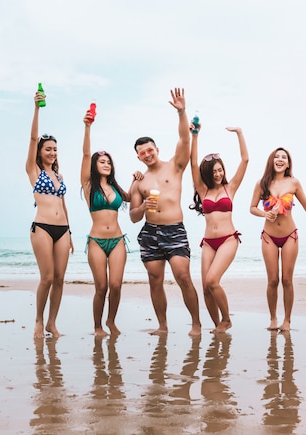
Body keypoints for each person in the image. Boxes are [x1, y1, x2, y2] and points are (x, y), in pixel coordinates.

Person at [129, 88, 202, 337]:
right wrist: (142, 206)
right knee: (154, 280)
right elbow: (133, 216)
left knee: (183, 276)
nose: (147, 154)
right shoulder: (140, 181)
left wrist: (182, 112)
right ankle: (162, 326)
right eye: (142, 153)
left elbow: (184, 140)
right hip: (150, 232)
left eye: (150, 150)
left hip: (174, 230)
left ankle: (196, 324)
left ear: (156, 149)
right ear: (138, 157)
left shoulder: (175, 167)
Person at [250, 147, 306, 331]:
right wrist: (265, 214)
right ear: (271, 161)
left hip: (289, 236)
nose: (279, 159)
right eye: (276, 157)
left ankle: (287, 320)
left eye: (283, 157)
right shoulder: (261, 183)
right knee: (272, 280)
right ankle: (273, 319)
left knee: (287, 279)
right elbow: (252, 207)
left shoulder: (294, 183)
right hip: (268, 236)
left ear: (288, 163)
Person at [80, 109, 142, 337]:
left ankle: (111, 321)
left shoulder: (115, 188)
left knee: (115, 285)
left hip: (117, 240)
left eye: (108, 162)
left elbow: (129, 198)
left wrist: (135, 180)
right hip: (96, 241)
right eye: (102, 162)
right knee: (101, 287)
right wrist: (87, 128)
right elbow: (86, 155)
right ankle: (97, 326)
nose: (106, 164)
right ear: (95, 165)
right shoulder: (88, 185)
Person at [189, 123, 249, 333]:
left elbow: (245, 160)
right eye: (213, 171)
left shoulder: (230, 187)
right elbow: (193, 163)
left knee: (213, 280)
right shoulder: (203, 189)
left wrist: (239, 133)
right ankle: (218, 326)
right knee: (205, 287)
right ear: (207, 172)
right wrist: (194, 135)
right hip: (208, 242)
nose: (217, 173)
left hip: (228, 239)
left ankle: (226, 319)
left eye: (220, 169)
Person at [26, 90, 74, 339]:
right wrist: (37, 109)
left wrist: (71, 233)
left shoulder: (59, 175)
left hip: (63, 230)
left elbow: (64, 205)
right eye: (48, 149)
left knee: (60, 278)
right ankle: (38, 320)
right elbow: (33, 138)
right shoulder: (34, 171)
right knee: (46, 277)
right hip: (42, 227)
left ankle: (52, 324)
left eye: (55, 149)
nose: (52, 152)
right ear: (40, 151)